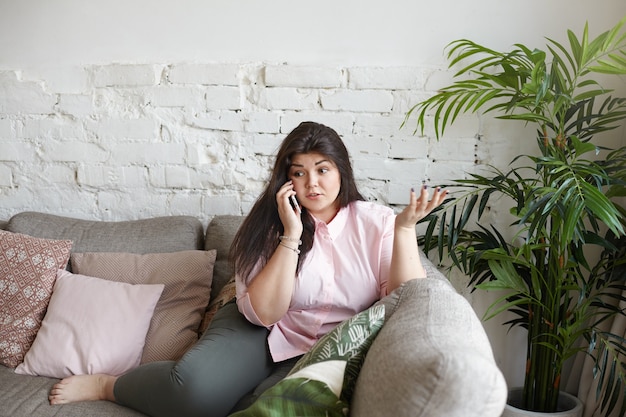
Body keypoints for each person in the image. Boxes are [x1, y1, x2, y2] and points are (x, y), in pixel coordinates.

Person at [48, 121, 447, 417]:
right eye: (299, 172)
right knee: (194, 394)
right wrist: (291, 234)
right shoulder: (268, 222)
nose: (312, 183)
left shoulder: (374, 221)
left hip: (326, 340)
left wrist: (405, 229)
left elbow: (404, 300)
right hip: (259, 324)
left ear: (341, 170)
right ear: (285, 178)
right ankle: (109, 384)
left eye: (323, 169)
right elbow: (264, 311)